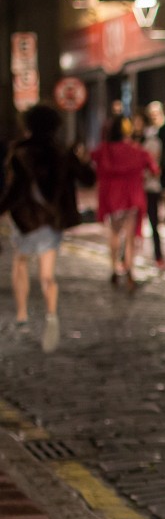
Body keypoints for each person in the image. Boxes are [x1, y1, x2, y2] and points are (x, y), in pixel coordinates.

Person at [0, 105, 95, 352]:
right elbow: (89, 179)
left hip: (25, 219)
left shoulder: (19, 152)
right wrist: (81, 158)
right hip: (51, 221)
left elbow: (15, 189)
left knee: (20, 263)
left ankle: (22, 315)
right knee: (47, 275)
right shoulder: (62, 152)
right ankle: (51, 315)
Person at [91, 117, 159, 292]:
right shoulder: (135, 151)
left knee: (114, 232)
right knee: (130, 235)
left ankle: (114, 267)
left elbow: (91, 163)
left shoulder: (103, 151)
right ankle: (129, 267)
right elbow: (153, 169)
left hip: (112, 198)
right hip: (131, 196)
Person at [140, 102, 165, 269]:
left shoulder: (159, 136)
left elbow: (156, 166)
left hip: (153, 186)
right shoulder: (143, 136)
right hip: (139, 186)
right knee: (133, 225)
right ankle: (126, 257)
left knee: (154, 222)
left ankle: (159, 255)